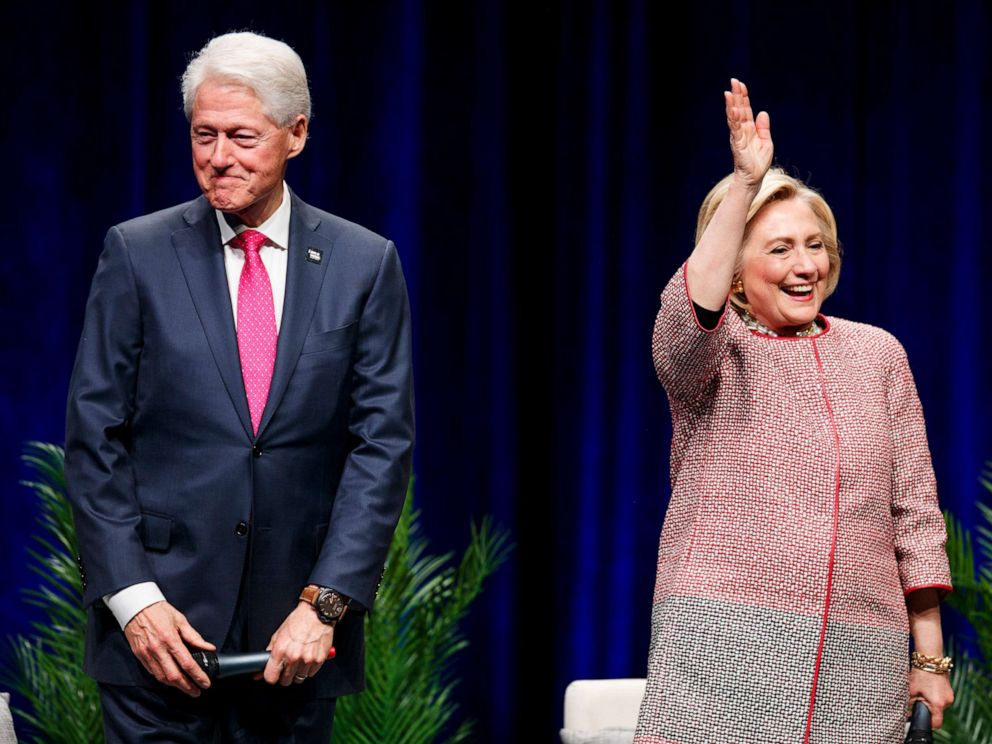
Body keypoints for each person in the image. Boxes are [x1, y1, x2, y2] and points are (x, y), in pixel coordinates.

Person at [64, 31, 414, 742]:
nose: (218, 157)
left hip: (294, 647)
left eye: (241, 137)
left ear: (297, 133)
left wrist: (324, 607)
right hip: (156, 642)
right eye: (204, 135)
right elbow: (92, 437)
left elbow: (380, 445)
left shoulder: (363, 264)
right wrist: (134, 602)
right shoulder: (136, 254)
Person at [634, 79, 954, 743]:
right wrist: (746, 184)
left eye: (815, 244)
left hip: (859, 661)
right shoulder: (711, 355)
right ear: (737, 268)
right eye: (779, 248)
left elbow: (915, 516)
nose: (805, 264)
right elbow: (688, 314)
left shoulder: (877, 355)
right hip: (722, 649)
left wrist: (928, 658)